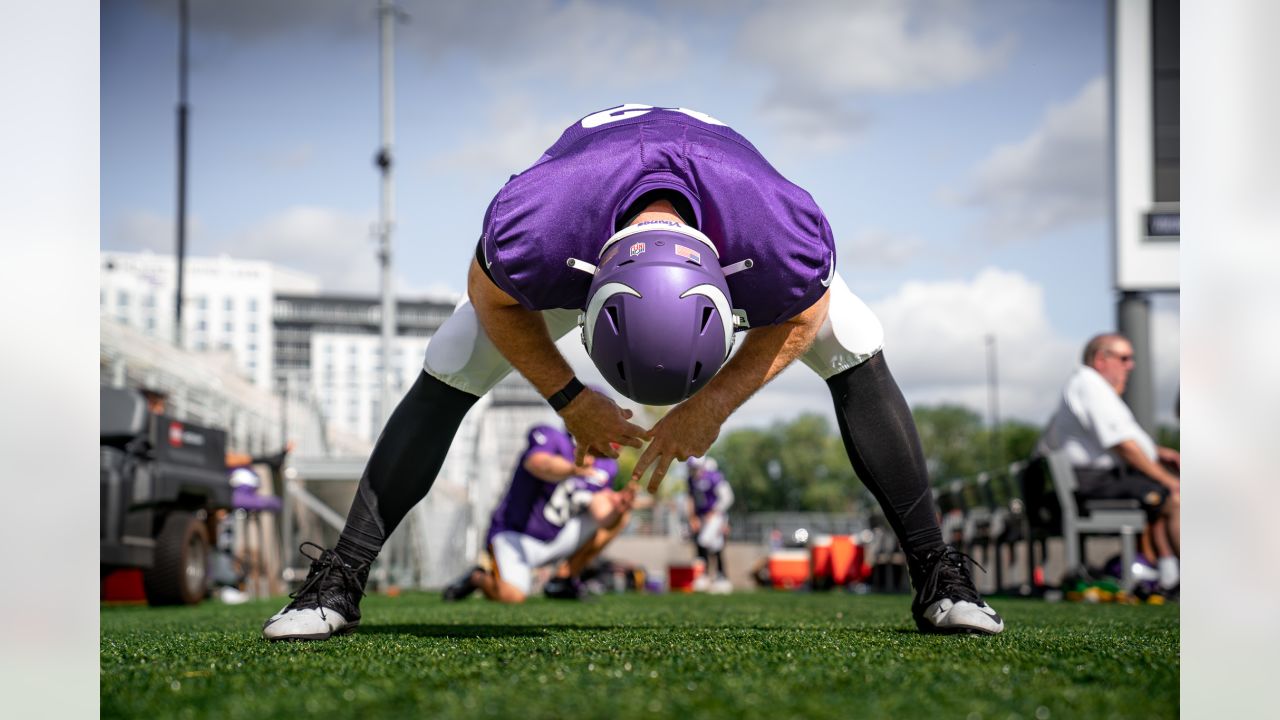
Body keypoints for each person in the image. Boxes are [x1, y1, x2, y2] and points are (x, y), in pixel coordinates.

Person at [262, 104, 1003, 640]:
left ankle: (940, 574)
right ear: (587, 293)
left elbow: (803, 316)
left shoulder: (777, 232)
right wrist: (568, 395)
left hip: (729, 217)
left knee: (857, 339)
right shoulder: (542, 226)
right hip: (586, 222)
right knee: (450, 362)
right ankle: (339, 579)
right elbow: (488, 293)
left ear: (732, 280)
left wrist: (712, 405)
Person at [1036, 333, 1181, 593]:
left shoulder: (1089, 386)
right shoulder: (1090, 385)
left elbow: (1113, 441)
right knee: (1175, 495)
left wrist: (1156, 453)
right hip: (1094, 481)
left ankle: (1169, 575)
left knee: (1163, 496)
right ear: (1101, 359)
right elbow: (1123, 445)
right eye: (1124, 358)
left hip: (1094, 478)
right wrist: (1168, 479)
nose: (1131, 365)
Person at [440, 423, 636, 603]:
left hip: (556, 538)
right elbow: (537, 463)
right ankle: (478, 577)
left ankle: (564, 578)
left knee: (621, 517)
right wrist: (572, 468)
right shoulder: (551, 436)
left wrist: (619, 509)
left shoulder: (607, 466)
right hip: (515, 537)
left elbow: (602, 517)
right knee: (512, 596)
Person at [686, 457, 734, 594]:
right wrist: (693, 517)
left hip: (716, 516)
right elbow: (691, 499)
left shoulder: (714, 477)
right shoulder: (691, 480)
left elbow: (728, 497)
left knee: (705, 541)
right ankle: (719, 577)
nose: (693, 471)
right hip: (703, 517)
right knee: (714, 545)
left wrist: (716, 512)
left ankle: (711, 576)